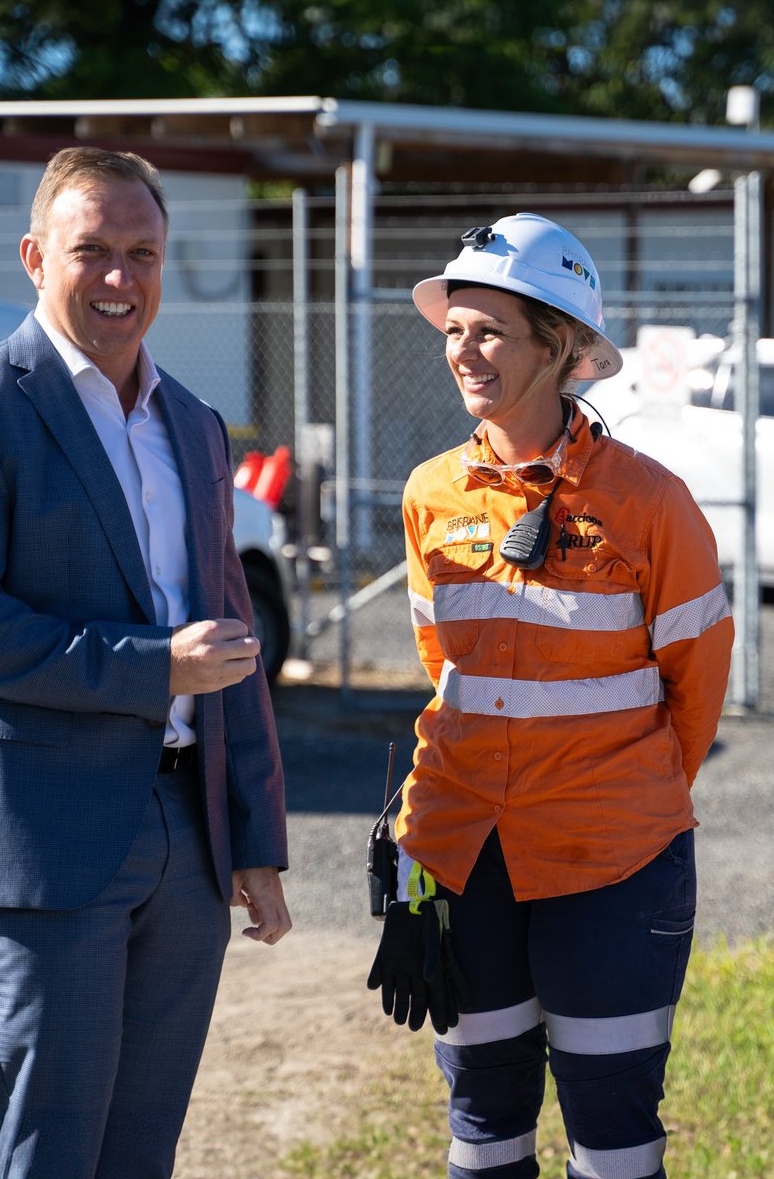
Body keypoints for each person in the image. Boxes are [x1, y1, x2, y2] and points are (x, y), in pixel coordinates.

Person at [0, 145, 291, 1179]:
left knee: (139, 1154)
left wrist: (253, 836)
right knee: (49, 1155)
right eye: (92, 250)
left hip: (183, 843)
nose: (121, 277)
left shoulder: (194, 426)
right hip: (41, 841)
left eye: (142, 252)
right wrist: (153, 666)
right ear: (34, 256)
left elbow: (231, 639)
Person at [366, 213, 733, 1179]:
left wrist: (621, 798)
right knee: (481, 1125)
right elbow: (444, 674)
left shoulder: (652, 502)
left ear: (561, 344)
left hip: (612, 859)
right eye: (453, 327)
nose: (463, 350)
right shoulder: (428, 493)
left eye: (488, 329)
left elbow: (694, 694)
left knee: (612, 1136)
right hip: (458, 855)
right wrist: (417, 853)